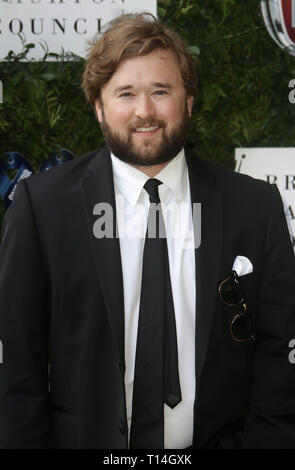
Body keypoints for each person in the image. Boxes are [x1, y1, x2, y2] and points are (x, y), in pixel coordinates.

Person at [0, 12, 295, 450]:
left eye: (161, 91)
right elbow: (17, 371)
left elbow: (280, 355)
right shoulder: (42, 208)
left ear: (189, 100)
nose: (145, 111)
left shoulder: (255, 208)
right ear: (98, 106)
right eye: (125, 94)